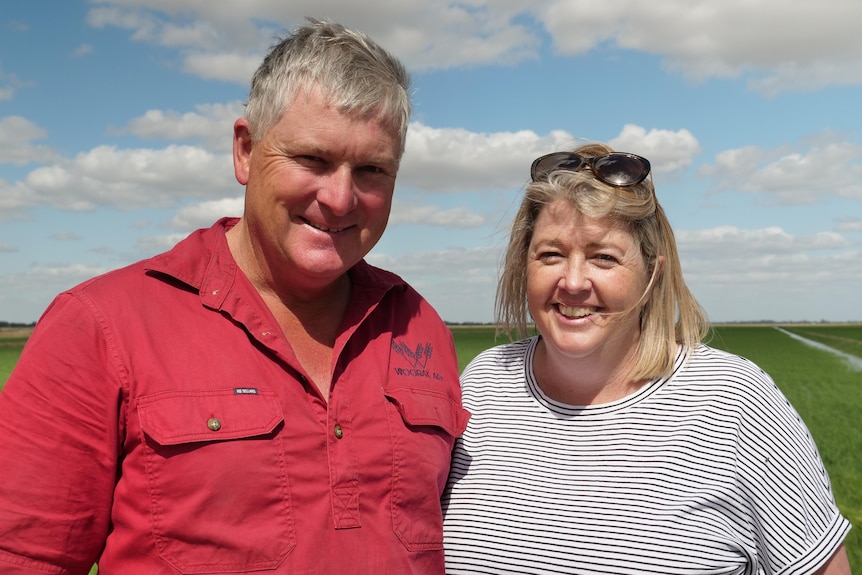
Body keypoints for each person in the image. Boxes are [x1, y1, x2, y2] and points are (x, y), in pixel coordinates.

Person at [0, 19, 469, 575]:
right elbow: (26, 556)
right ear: (245, 151)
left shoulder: (418, 325)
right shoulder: (101, 325)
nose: (341, 198)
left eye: (371, 170)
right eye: (312, 160)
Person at [442, 142, 852, 574]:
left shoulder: (734, 402)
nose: (574, 281)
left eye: (604, 257)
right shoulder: (485, 383)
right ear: (524, 264)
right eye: (551, 254)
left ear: (652, 271)